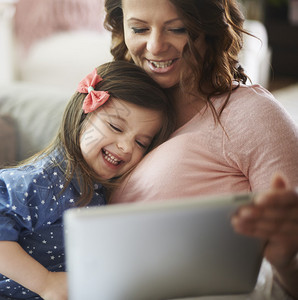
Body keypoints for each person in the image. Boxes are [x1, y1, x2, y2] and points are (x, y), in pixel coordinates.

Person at [104, 0, 298, 298]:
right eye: (139, 28)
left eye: (178, 29)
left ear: (209, 28)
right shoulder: (116, 109)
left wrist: (285, 263)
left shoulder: (254, 116)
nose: (155, 47)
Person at [0, 60, 175, 300]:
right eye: (116, 127)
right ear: (81, 115)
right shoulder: (41, 179)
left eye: (141, 142)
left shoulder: (100, 190)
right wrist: (45, 282)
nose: (126, 146)